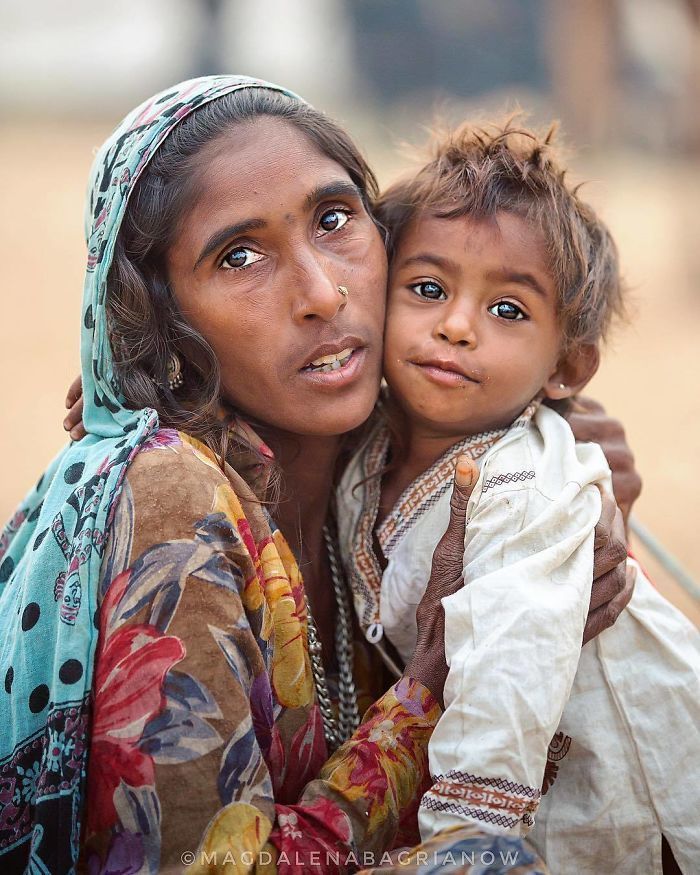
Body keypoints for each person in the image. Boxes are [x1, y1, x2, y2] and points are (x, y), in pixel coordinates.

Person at [1, 76, 635, 874]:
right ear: (160, 314)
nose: (323, 292)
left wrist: (569, 466)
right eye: (240, 255)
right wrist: (432, 684)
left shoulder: (406, 469)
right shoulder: (170, 497)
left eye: (336, 220)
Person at [336, 120, 700, 874]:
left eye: (508, 310)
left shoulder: (524, 487)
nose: (457, 326)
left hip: (632, 783)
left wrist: (464, 835)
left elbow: (511, 663)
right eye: (428, 289)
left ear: (566, 366)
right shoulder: (365, 441)